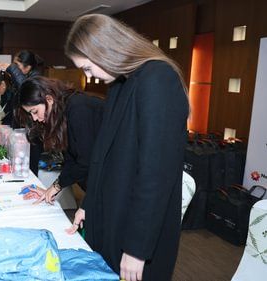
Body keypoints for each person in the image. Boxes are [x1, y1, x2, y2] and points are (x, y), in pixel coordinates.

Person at [65, 14, 189, 281]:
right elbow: (101, 155)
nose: (91, 77)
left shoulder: (158, 78)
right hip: (111, 213)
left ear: (105, 50)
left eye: (88, 68)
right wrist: (88, 205)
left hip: (136, 229)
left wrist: (137, 249)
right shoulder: (122, 83)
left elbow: (156, 174)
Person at [16, 76, 104, 204]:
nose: (34, 118)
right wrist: (53, 188)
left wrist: (56, 187)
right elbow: (71, 157)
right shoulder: (64, 111)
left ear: (49, 99)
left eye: (35, 111)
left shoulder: (78, 108)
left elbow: (85, 160)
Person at [5, 50, 44, 176]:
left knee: (30, 169)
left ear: (28, 67)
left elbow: (26, 91)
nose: (15, 68)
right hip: (24, 129)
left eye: (17, 66)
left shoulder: (36, 78)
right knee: (20, 166)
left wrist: (12, 69)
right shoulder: (24, 77)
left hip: (32, 131)